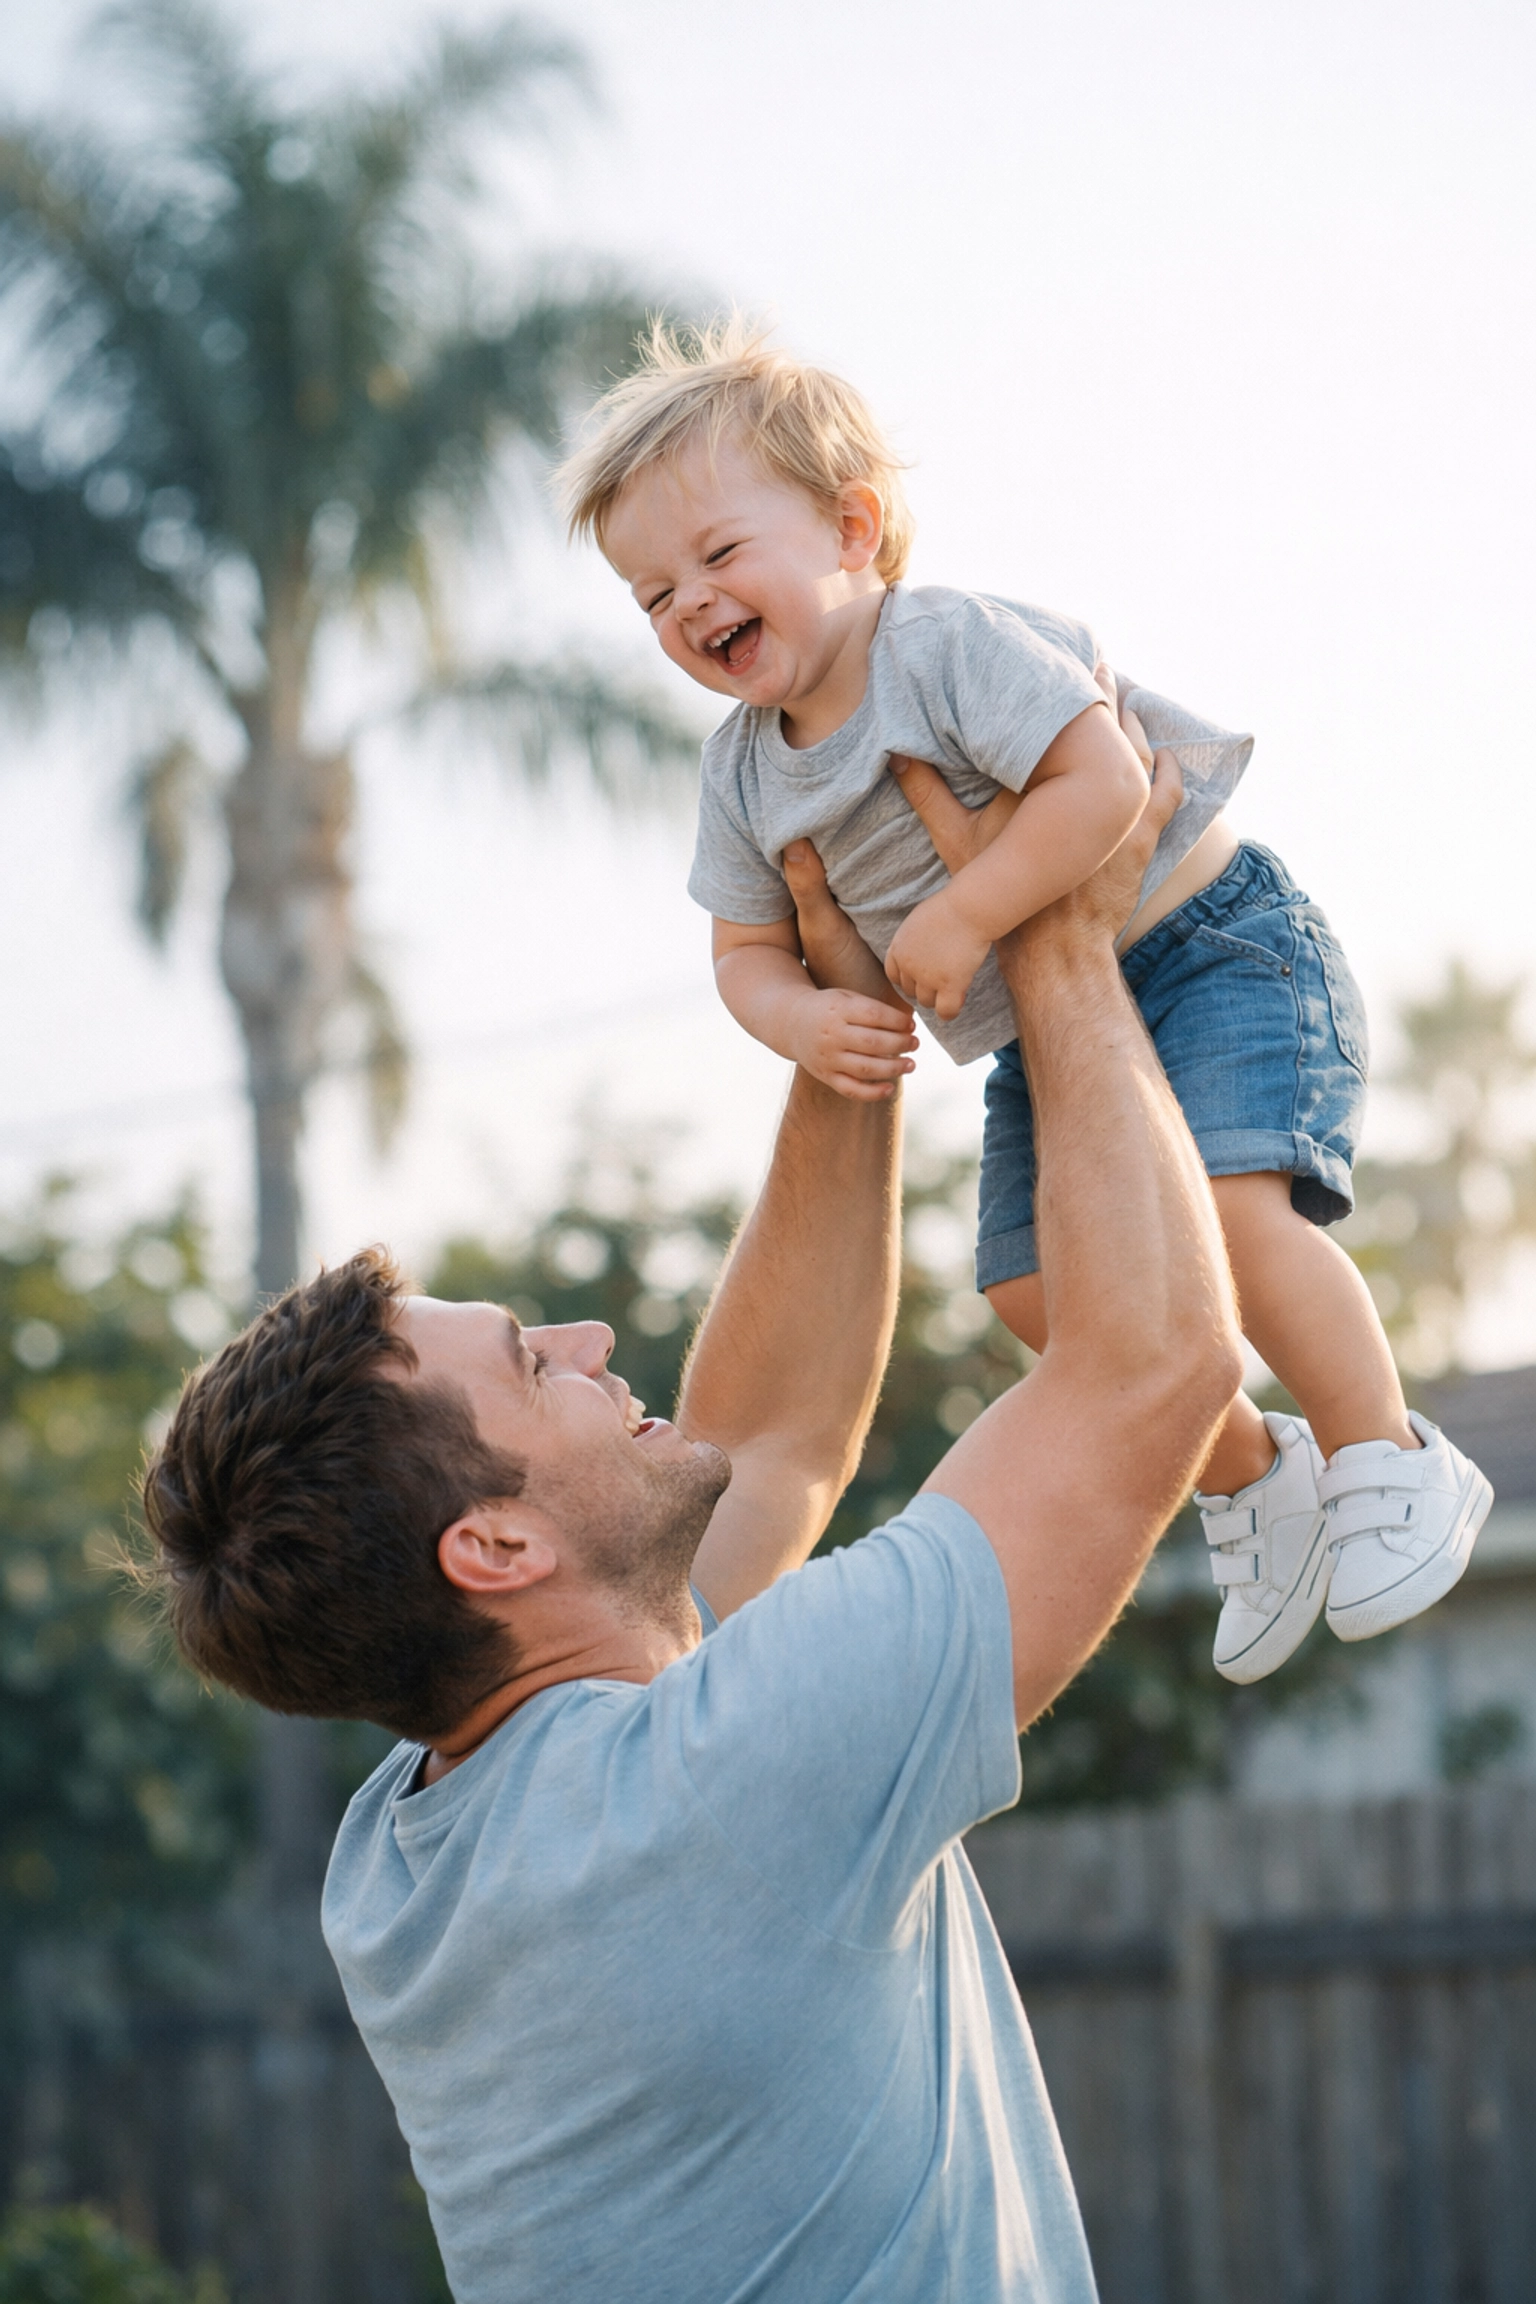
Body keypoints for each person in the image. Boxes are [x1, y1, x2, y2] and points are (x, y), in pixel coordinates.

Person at [143, 767, 1240, 2303]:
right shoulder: (712, 1791)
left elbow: (770, 1443)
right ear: (497, 1553)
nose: (590, 1340)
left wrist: (845, 1025)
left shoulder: (404, 1859)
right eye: (534, 1365)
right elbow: (1152, 1369)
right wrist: (1053, 917)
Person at [559, 321, 1493, 1683]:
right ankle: (1250, 1475)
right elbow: (744, 952)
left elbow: (1107, 780)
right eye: (650, 594)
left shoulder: (941, 643)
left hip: (1206, 949)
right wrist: (808, 1021)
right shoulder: (742, 774)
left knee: (1237, 1216)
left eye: (716, 556)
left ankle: (1385, 1452)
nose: (687, 604)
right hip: (1042, 1039)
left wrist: (966, 914)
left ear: (852, 527)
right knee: (1031, 1286)